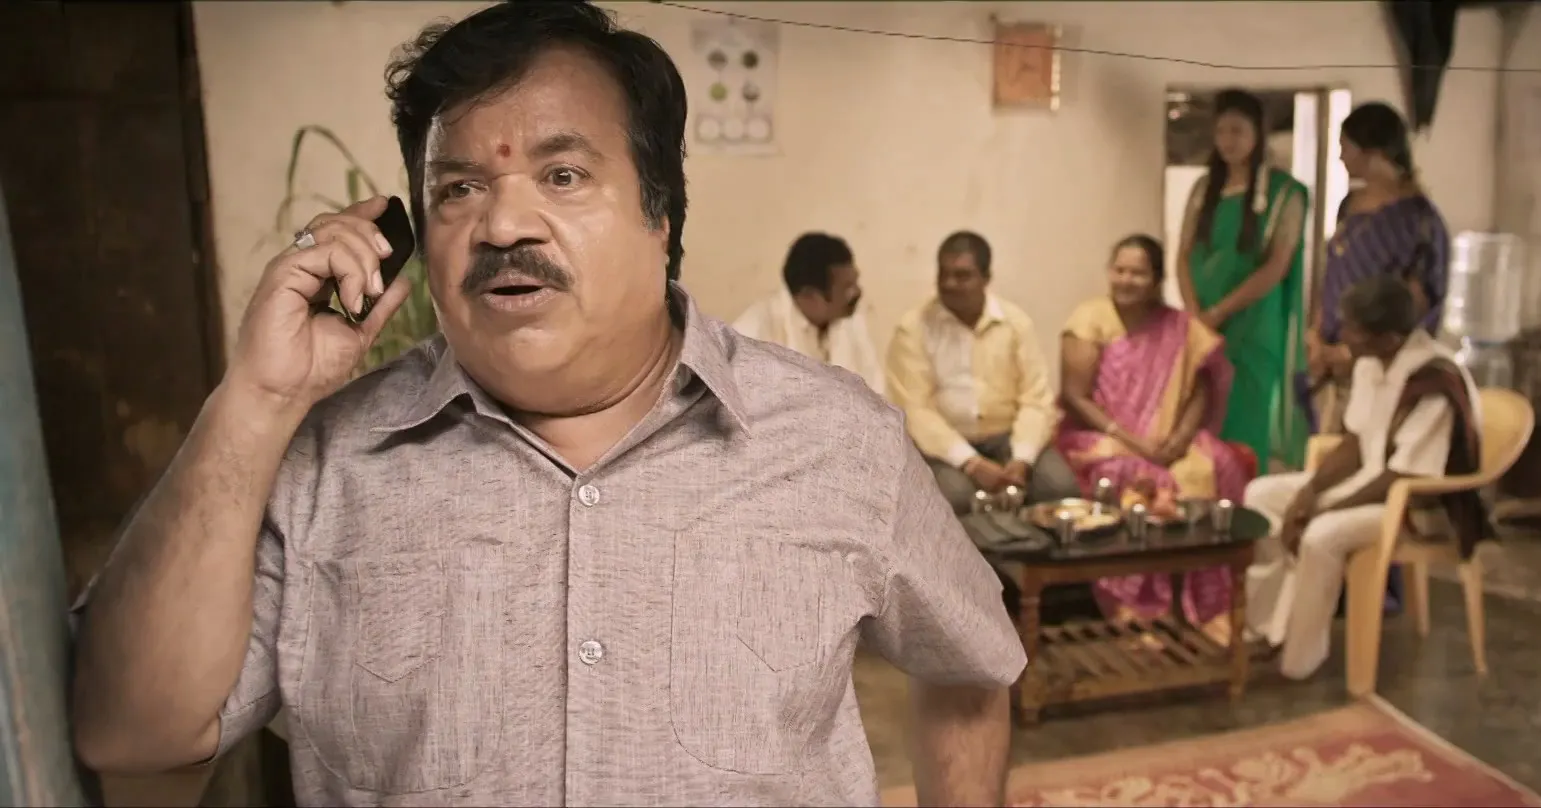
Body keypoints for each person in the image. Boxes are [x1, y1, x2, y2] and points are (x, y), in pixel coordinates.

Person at [66, 4, 1023, 806]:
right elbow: (129, 734)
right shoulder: (322, 465)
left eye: (563, 176)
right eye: (459, 188)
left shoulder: (835, 440)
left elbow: (972, 667)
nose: (504, 223)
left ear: (660, 217)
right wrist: (255, 400)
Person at [1242, 275, 1486, 681]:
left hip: (1419, 504)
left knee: (1321, 535)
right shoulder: (1370, 363)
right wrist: (1309, 492)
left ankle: (1299, 661)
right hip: (1370, 484)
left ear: (1389, 339)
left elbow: (1403, 475)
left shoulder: (1433, 381)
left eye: (1353, 329)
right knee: (1260, 495)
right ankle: (1265, 630)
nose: (1343, 336)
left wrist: (1323, 510)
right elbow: (1355, 442)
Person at [1055, 234, 1251, 646]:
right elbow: (1075, 396)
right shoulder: (1089, 319)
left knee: (1220, 463)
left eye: (1138, 273)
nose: (1126, 280)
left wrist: (1179, 439)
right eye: (1120, 270)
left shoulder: (1178, 326)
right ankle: (1143, 610)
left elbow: (1200, 386)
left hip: (1167, 437)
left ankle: (1211, 606)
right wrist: (1134, 442)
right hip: (1101, 434)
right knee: (1136, 475)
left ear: (1157, 279)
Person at [886, 231, 1078, 513]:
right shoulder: (913, 328)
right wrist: (970, 462)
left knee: (1060, 490)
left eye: (962, 276)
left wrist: (1022, 459)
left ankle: (1026, 543)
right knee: (957, 499)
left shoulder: (1015, 324)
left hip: (1008, 438)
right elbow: (915, 410)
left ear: (986, 278)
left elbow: (1036, 398)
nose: (949, 284)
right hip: (945, 448)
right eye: (944, 274)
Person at [1176, 89, 1313, 474]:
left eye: (1237, 130)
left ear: (1257, 134)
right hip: (1203, 321)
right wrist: (1196, 314)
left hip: (1253, 325)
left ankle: (1245, 497)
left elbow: (1277, 266)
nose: (1227, 141)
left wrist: (1220, 312)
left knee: (1245, 418)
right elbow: (1183, 256)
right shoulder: (1204, 189)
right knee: (1201, 415)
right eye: (1221, 131)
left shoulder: (1286, 193)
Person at [1309, 101, 1451, 433]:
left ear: (1374, 152)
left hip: (1381, 371)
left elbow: (1416, 306)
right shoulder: (1349, 206)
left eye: (1346, 147)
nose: (1341, 157)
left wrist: (1355, 353)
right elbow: (1333, 275)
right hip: (1331, 367)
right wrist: (1316, 338)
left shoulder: (1419, 222)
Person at [733, 231, 885, 393]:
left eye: (856, 281)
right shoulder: (752, 334)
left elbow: (876, 393)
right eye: (847, 287)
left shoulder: (851, 321)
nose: (857, 292)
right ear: (810, 296)